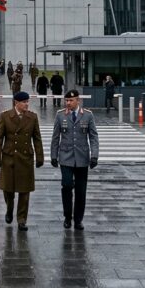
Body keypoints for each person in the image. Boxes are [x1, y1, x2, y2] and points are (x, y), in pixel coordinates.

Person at [0, 91, 44, 231]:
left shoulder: (32, 117)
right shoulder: (5, 116)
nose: (27, 104)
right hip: (9, 158)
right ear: (16, 103)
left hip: (25, 158)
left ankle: (21, 219)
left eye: (27, 101)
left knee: (24, 191)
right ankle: (9, 209)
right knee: (8, 189)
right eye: (24, 102)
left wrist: (40, 157)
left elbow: (37, 138)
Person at [51, 89, 99, 230]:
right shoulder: (60, 115)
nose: (68, 103)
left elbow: (93, 137)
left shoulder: (88, 115)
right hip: (65, 157)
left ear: (78, 101)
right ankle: (67, 217)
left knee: (81, 190)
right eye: (66, 100)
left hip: (82, 158)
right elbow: (55, 137)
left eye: (71, 100)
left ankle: (78, 220)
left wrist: (94, 155)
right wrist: (53, 156)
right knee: (66, 185)